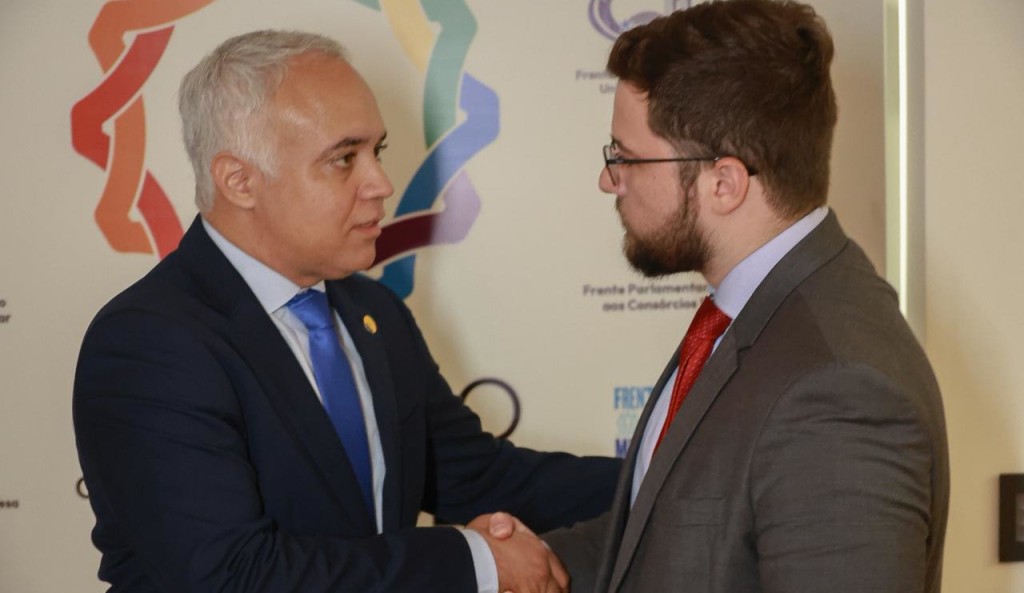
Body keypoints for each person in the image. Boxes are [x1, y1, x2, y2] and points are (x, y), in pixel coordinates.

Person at [72, 30, 619, 593]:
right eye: (343, 159)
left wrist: (659, 475)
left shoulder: (373, 312)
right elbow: (233, 574)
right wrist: (475, 562)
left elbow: (476, 476)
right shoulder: (148, 343)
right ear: (239, 181)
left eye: (375, 152)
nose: (381, 183)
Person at [524, 1, 949, 592]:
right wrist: (520, 562)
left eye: (626, 157)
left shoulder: (837, 391)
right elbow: (670, 537)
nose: (608, 178)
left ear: (723, 183)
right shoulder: (748, 315)